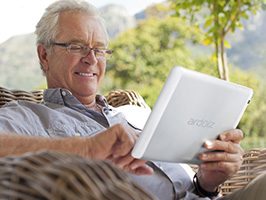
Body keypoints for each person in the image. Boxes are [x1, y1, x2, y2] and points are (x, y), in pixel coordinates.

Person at [0, 0, 264, 199]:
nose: (91, 59)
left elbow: (190, 186)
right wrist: (86, 149)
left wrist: (207, 182)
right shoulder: (25, 117)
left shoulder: (135, 113)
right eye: (76, 46)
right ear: (44, 55)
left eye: (100, 49)